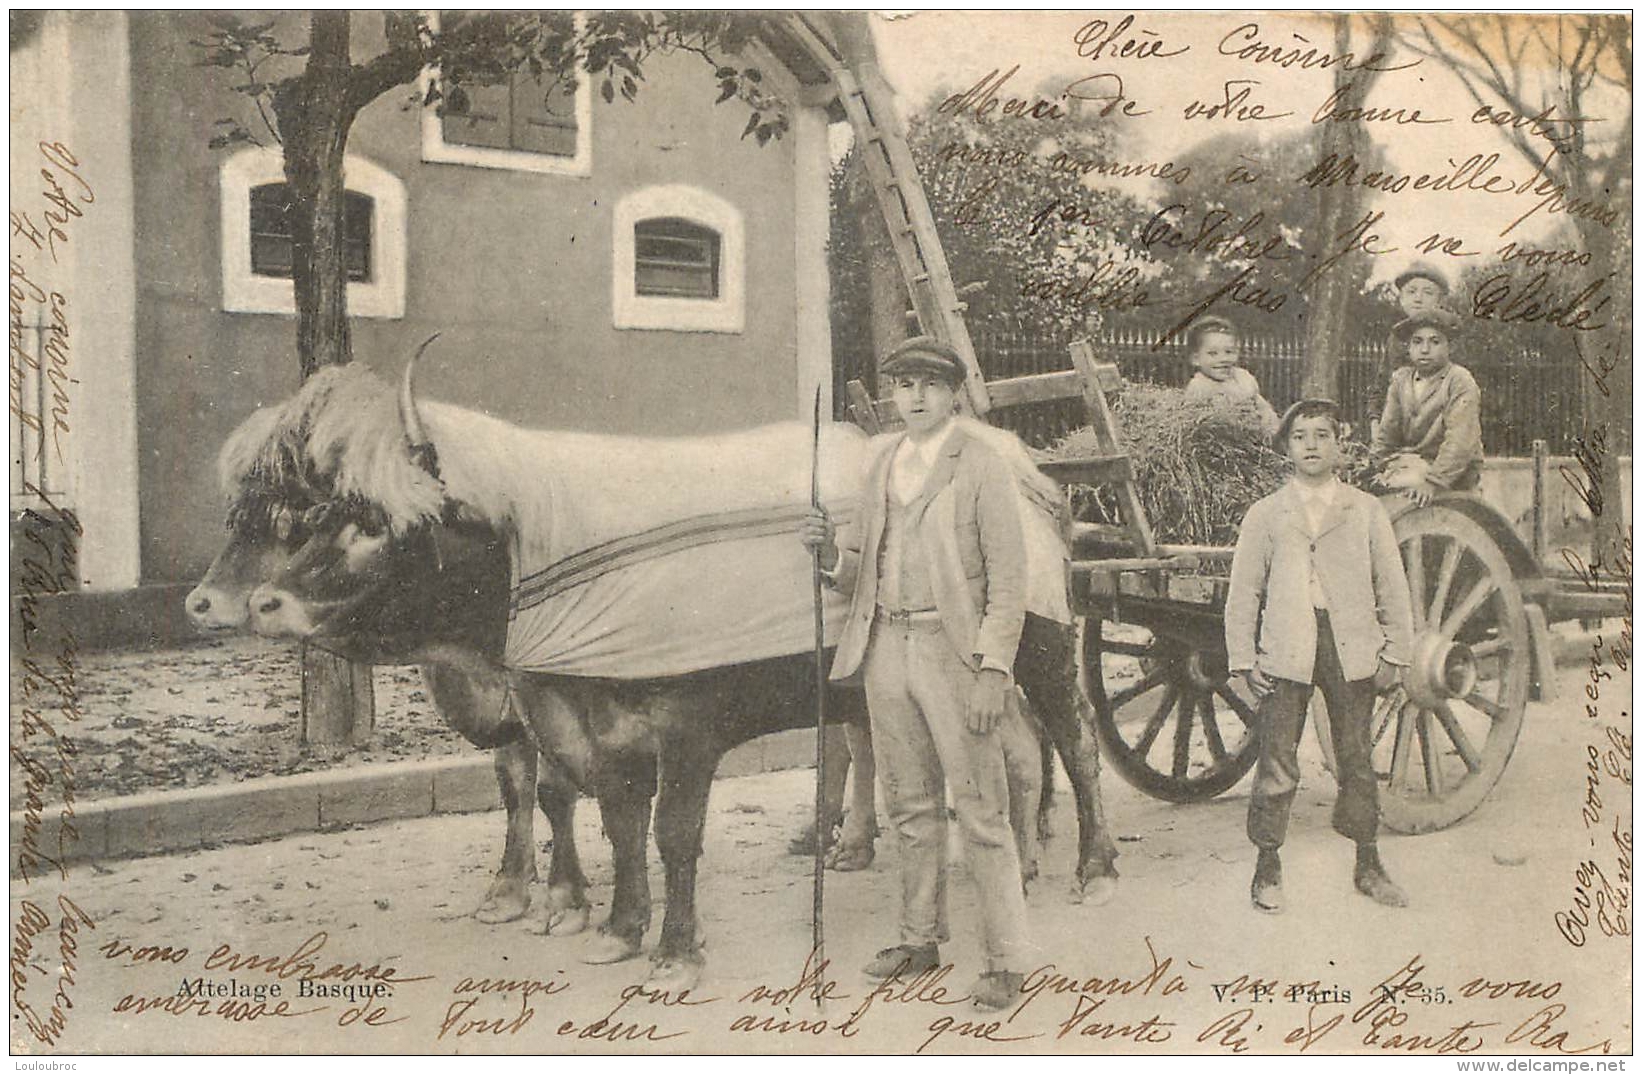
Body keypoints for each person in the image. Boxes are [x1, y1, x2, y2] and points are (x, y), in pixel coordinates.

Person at [799, 336, 1034, 1013]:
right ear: (893, 394)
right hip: (885, 648)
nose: (917, 395)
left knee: (981, 808)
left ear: (953, 392)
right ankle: (918, 937)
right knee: (909, 803)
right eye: (904, 383)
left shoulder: (981, 465)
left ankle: (1006, 959)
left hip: (953, 652)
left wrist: (993, 668)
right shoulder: (883, 465)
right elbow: (859, 563)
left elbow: (1010, 579)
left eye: (930, 383)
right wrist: (826, 558)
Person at [1225, 399, 1415, 915]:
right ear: (1287, 448)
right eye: (1301, 436)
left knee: (1354, 754)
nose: (1311, 444)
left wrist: (1396, 651)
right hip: (1288, 644)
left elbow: (1391, 586)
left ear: (1340, 445)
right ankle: (1267, 864)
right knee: (1277, 756)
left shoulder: (1365, 510)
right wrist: (1243, 659)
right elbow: (1244, 592)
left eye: (1322, 435)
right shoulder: (1267, 514)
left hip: (1349, 644)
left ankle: (1368, 860)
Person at [1370, 307, 1484, 505]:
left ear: (1450, 346)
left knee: (1407, 482)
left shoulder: (1459, 380)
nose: (1424, 349)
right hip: (1411, 464)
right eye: (1417, 341)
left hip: (1453, 474)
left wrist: (1434, 481)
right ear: (1409, 347)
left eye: (1435, 341)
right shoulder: (1401, 379)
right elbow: (1387, 432)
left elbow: (1460, 441)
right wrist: (1372, 465)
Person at [1180, 315, 1279, 435]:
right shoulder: (1199, 387)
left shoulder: (1243, 378)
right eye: (1213, 353)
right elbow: (1196, 423)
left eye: (1229, 352)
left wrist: (1272, 429)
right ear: (1196, 359)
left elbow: (1263, 408)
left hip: (1254, 436)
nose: (1223, 359)